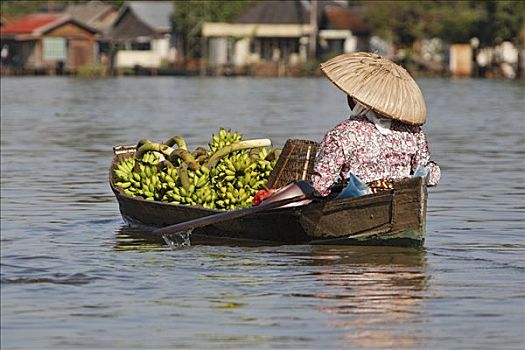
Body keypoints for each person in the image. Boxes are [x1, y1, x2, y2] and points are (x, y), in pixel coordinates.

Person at [311, 52, 440, 197]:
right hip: (403, 199)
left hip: (359, 204)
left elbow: (319, 186)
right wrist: (430, 170)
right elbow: (431, 177)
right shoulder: (414, 133)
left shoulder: (343, 133)